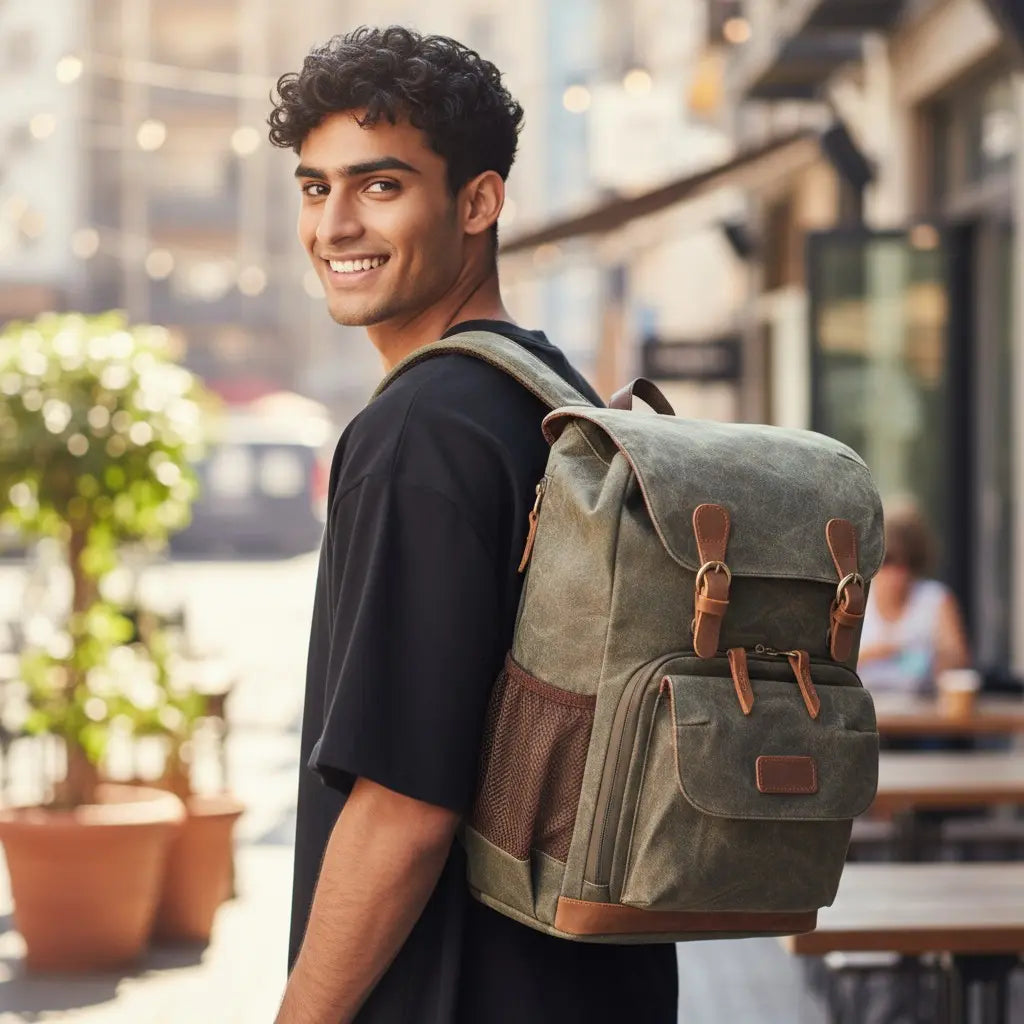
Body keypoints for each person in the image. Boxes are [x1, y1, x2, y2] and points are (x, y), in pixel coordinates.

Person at [268, 26, 678, 1024]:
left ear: (479, 201)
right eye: (316, 188)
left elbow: (404, 807)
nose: (335, 225)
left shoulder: (417, 430)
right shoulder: (550, 397)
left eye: (380, 185)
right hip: (593, 984)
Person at [858, 501, 970, 695]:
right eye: (889, 561)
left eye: (908, 563)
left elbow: (960, 662)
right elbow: (833, 665)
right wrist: (875, 653)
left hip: (923, 719)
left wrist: (934, 659)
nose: (898, 574)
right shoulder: (854, 599)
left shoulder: (935, 600)